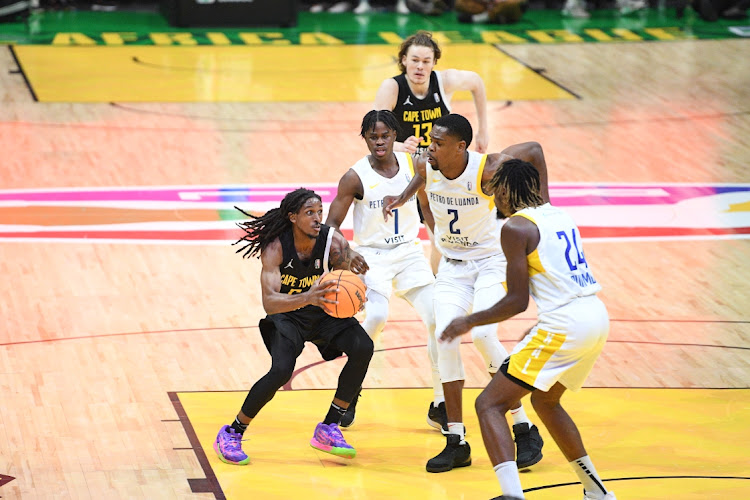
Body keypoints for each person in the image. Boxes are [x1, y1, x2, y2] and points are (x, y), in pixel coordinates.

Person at [440, 160, 616, 500]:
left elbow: (517, 301)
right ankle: (598, 493)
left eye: (496, 193)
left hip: (565, 325)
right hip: (594, 317)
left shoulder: (516, 228)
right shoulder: (560, 216)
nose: (495, 202)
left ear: (507, 189)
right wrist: (541, 325)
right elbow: (562, 284)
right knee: (546, 401)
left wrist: (469, 320)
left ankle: (512, 496)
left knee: (489, 404)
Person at [382, 113, 545, 473]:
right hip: (453, 267)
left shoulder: (489, 169)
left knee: (485, 335)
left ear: (461, 147)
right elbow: (420, 180)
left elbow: (533, 150)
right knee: (445, 339)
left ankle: (524, 427)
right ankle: (456, 440)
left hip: (489, 262)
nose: (429, 147)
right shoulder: (426, 163)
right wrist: (403, 197)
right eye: (429, 140)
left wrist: (544, 208)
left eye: (438, 142)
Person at [213, 188, 374, 465]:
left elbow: (350, 277)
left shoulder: (332, 242)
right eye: (309, 213)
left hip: (322, 311)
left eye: (319, 212)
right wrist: (306, 297)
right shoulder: (276, 247)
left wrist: (357, 292)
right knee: (280, 371)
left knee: (363, 346)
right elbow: (270, 303)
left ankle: (329, 427)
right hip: (287, 316)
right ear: (292, 217)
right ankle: (232, 432)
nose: (317, 218)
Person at [325, 109, 447, 432]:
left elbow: (426, 206)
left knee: (438, 318)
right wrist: (348, 254)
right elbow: (331, 227)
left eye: (385, 136)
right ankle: (349, 393)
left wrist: (441, 242)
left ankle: (440, 403)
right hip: (372, 256)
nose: (379, 142)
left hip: (409, 253)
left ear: (395, 135)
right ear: (364, 138)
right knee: (376, 317)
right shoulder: (355, 177)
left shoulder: (414, 165)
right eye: (372, 137)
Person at [374, 30, 490, 274]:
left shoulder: (445, 81)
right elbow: (374, 135)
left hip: (438, 172)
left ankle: (439, 284)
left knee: (441, 239)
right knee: (391, 242)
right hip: (403, 172)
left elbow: (477, 82)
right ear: (403, 59)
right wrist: (398, 145)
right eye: (414, 60)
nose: (420, 66)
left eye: (426, 61)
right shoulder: (392, 88)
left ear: (434, 63)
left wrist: (483, 130)